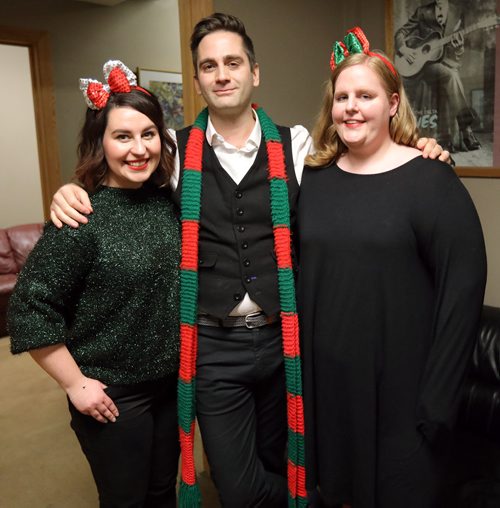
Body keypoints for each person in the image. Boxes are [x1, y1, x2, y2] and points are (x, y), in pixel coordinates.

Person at [48, 14, 450, 508]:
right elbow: (121, 179)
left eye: (233, 62)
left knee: (288, 460)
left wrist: (419, 147)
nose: (222, 74)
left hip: (288, 340)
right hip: (214, 346)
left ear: (254, 73)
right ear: (197, 80)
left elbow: (364, 166)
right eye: (209, 66)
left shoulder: (299, 144)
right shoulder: (173, 151)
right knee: (237, 486)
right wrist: (72, 189)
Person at [298, 27, 487, 508]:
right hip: (333, 395)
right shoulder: (315, 180)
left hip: (404, 399)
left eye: (366, 95)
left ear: (394, 104)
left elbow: (462, 293)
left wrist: (437, 405)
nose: (352, 107)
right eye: (342, 97)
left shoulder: (430, 180)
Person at [8, 60, 181, 508]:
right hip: (113, 392)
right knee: (126, 499)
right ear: (99, 143)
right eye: (122, 136)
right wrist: (75, 384)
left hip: (171, 383)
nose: (139, 148)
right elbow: (30, 307)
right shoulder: (80, 217)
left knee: (163, 493)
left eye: (148, 134)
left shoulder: (169, 204)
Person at [395, 0, 480, 152]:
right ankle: (466, 129)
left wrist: (458, 45)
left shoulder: (456, 11)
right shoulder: (422, 11)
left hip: (447, 59)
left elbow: (458, 49)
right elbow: (400, 33)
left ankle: (451, 136)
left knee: (451, 74)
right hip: (423, 64)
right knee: (451, 76)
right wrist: (404, 49)